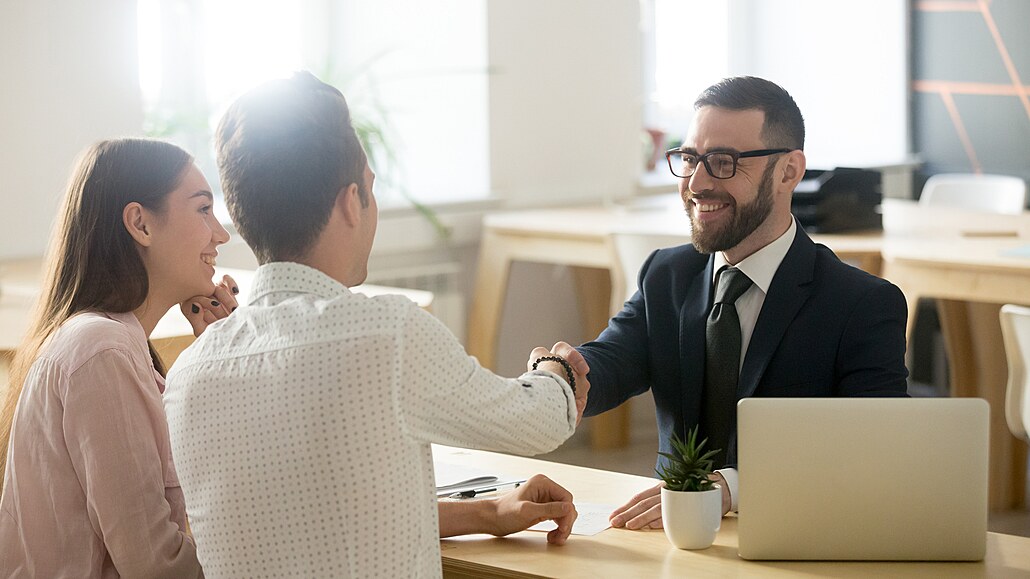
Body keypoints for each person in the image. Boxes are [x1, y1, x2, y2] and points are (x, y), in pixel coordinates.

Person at [163, 71, 590, 578]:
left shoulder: (186, 378)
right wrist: (555, 370)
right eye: (370, 189)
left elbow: (314, 518)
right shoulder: (387, 335)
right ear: (350, 202)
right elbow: (537, 421)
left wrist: (485, 510)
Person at [550, 76, 909, 530]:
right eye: (689, 159)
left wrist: (732, 488)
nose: (696, 183)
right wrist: (561, 373)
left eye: (723, 162)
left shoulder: (862, 306)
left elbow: (873, 449)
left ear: (789, 172)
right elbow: (612, 359)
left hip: (799, 536)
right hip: (674, 538)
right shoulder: (667, 274)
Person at [0, 138, 239, 577]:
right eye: (204, 209)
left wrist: (218, 362)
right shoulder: (101, 350)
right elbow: (154, 565)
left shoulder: (113, 347)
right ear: (140, 224)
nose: (221, 234)